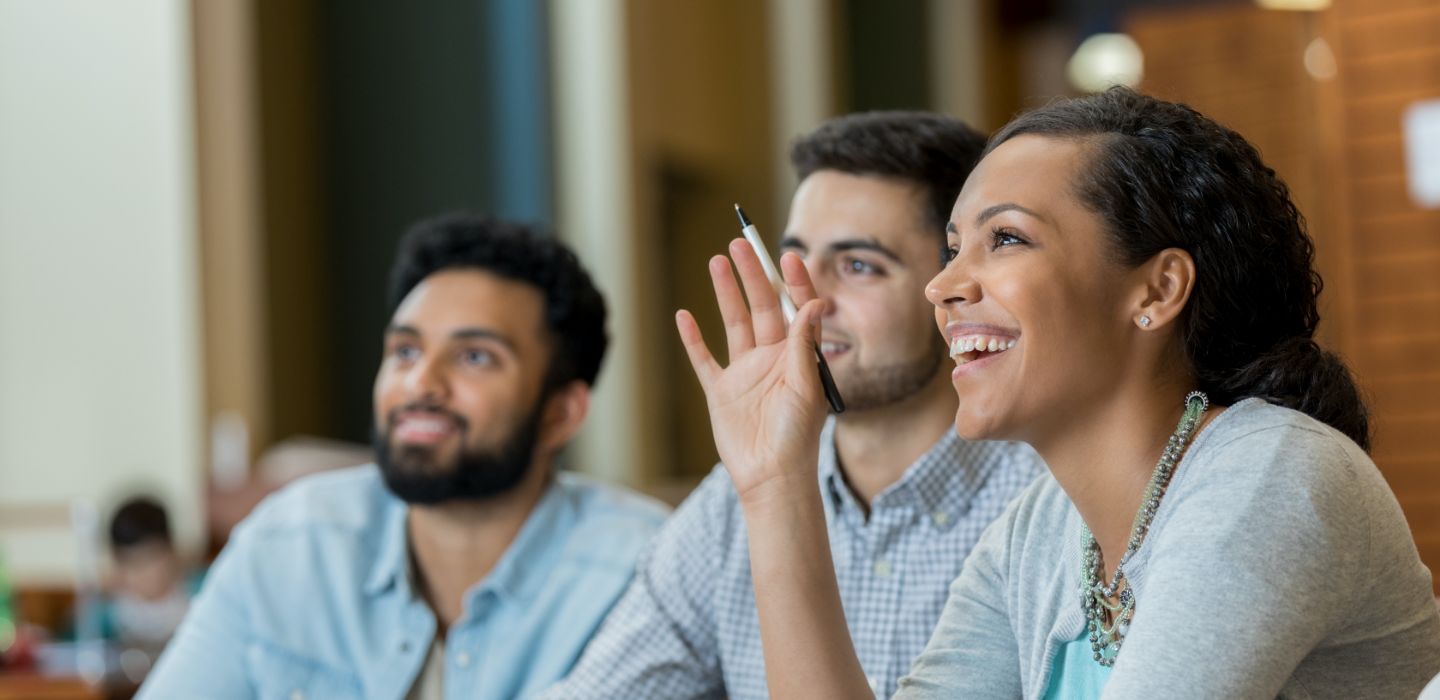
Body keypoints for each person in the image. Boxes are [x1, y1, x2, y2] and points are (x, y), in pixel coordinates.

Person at [677, 87, 1440, 698]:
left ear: (1157, 289)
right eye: (952, 249)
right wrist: (776, 483)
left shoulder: (1269, 478)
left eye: (1006, 238)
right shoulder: (1039, 533)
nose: (943, 286)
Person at [545, 112, 1045, 699]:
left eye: (859, 266)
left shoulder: (1042, 503)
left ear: (954, 284)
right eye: (792, 263)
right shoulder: (732, 504)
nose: (806, 304)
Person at [141, 215, 669, 699]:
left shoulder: (643, 578)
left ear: (561, 414)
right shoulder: (290, 547)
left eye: (475, 356)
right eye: (406, 351)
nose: (420, 382)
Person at [86, 496, 200, 650]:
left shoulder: (202, 594)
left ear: (170, 550)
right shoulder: (105, 613)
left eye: (149, 558)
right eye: (130, 562)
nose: (141, 573)